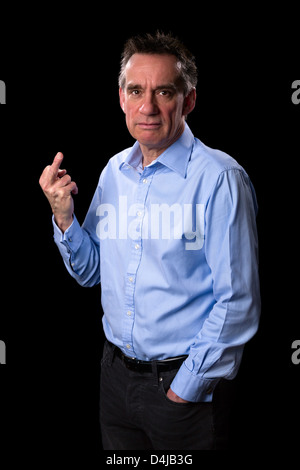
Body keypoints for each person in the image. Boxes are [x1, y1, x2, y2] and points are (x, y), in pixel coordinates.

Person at [39, 31, 260, 450]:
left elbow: (238, 303)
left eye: (164, 92)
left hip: (183, 390)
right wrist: (63, 217)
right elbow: (91, 274)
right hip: (115, 382)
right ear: (121, 97)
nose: (148, 107)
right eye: (137, 90)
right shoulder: (113, 172)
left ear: (188, 101)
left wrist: (184, 390)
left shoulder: (219, 179)